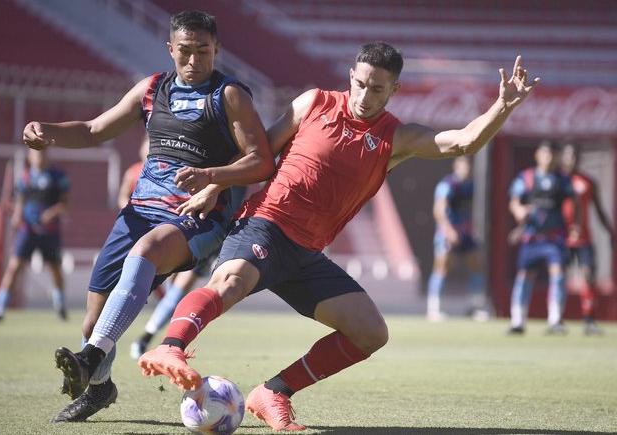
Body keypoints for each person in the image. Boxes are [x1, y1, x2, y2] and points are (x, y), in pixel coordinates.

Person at [136, 44, 540, 431]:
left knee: (371, 332)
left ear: (394, 91)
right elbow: (260, 157)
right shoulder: (313, 102)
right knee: (230, 282)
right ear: (351, 76)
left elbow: (463, 141)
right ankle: (171, 345)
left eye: (378, 88)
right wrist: (215, 182)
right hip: (266, 223)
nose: (365, 94)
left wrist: (502, 106)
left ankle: (272, 392)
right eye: (361, 83)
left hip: (307, 253)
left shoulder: (395, 137)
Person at [22, 10, 275, 423]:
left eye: (204, 52)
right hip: (139, 211)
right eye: (186, 52)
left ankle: (89, 358)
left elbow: (261, 161)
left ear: (218, 50)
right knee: (93, 321)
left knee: (148, 250)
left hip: (197, 217)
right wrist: (46, 128)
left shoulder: (229, 95)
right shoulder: (152, 89)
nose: (194, 62)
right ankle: (99, 386)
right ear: (170, 49)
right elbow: (92, 130)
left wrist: (212, 179)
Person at [0, 148, 69, 322]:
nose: (40, 157)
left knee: (55, 270)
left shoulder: (58, 176)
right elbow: (20, 201)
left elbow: (65, 204)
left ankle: (60, 305)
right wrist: (17, 216)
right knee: (14, 267)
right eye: (36, 154)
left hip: (50, 232)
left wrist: (51, 214)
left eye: (43, 153)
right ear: (30, 157)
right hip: (28, 230)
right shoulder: (25, 177)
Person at [507, 141, 579, 335]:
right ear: (537, 155)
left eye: (552, 154)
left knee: (558, 274)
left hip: (554, 238)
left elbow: (573, 204)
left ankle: (555, 319)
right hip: (531, 238)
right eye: (545, 153)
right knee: (524, 276)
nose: (548, 157)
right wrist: (519, 210)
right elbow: (514, 202)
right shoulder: (527, 177)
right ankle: (518, 320)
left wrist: (574, 226)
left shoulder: (563, 180)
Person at [559, 143, 616, 335]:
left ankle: (589, 319)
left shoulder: (588, 182)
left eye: (575, 155)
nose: (571, 159)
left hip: (584, 238)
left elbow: (599, 210)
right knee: (558, 277)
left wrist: (610, 231)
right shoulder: (557, 180)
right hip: (561, 238)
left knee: (588, 275)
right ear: (562, 157)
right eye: (568, 155)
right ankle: (556, 318)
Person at [426, 156, 488, 322]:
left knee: (477, 264)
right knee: (442, 267)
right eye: (462, 165)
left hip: (465, 233)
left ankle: (474, 307)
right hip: (447, 232)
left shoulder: (471, 185)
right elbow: (439, 209)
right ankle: (433, 309)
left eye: (468, 165)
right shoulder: (447, 185)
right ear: (456, 166)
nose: (465, 168)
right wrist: (448, 230)